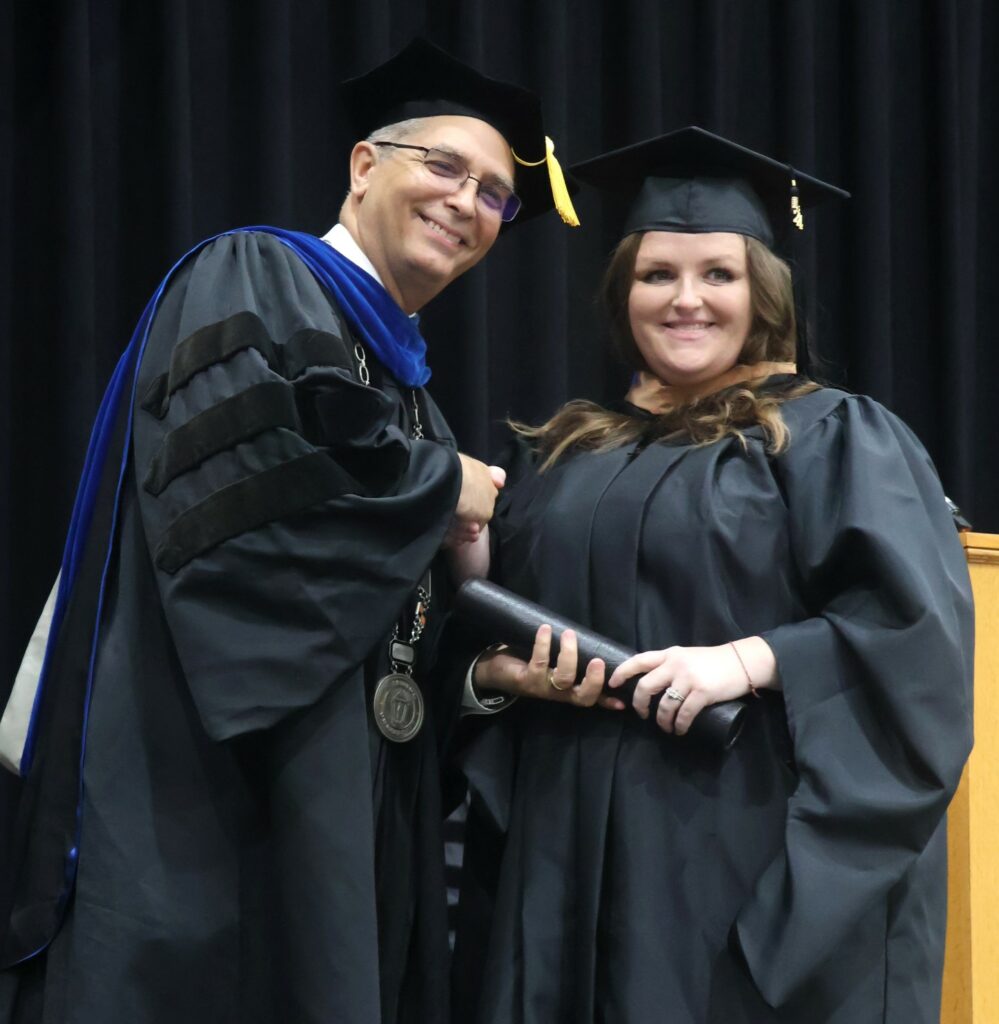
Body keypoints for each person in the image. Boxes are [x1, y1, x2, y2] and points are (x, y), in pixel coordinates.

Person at [0, 38, 578, 1024]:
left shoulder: (412, 396)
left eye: (493, 194)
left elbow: (373, 636)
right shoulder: (253, 274)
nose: (466, 201)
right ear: (364, 165)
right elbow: (250, 526)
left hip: (329, 828)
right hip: (204, 805)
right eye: (443, 165)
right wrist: (441, 489)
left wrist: (477, 679)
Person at [450, 127, 974, 1024]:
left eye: (716, 275)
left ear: (760, 291)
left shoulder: (829, 435)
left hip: (736, 837)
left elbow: (914, 633)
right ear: (624, 292)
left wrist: (746, 660)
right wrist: (488, 666)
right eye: (657, 275)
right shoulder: (561, 451)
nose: (685, 300)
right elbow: (494, 623)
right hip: (565, 847)